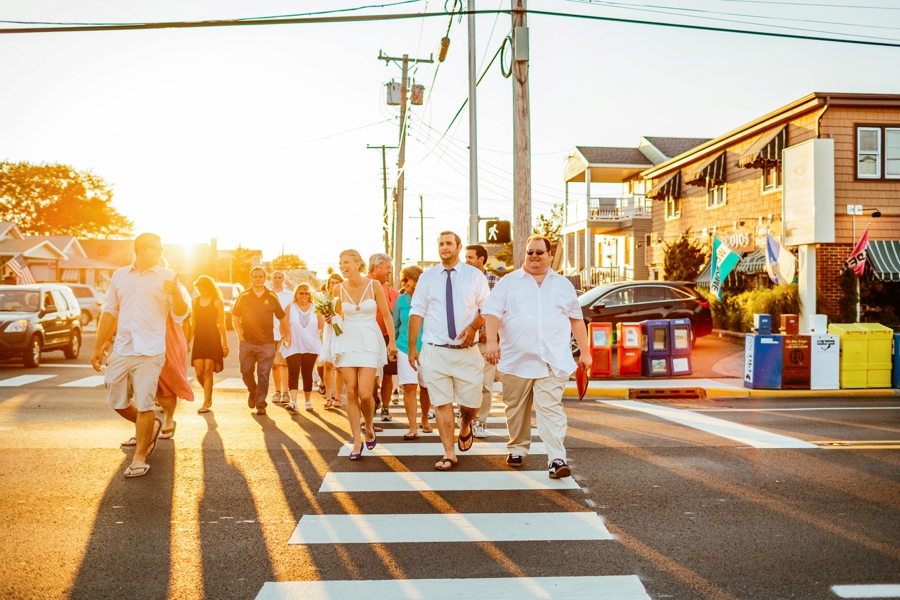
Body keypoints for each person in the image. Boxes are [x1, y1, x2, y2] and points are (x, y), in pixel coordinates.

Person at [483, 234, 592, 478]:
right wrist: (492, 342)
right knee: (516, 409)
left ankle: (556, 459)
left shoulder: (563, 285)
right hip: (516, 360)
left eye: (539, 252)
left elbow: (576, 320)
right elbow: (492, 312)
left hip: (553, 360)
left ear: (549, 255)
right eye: (530, 252)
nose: (533, 256)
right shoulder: (509, 282)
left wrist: (585, 353)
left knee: (550, 409)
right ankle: (517, 448)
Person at [90, 233, 188, 478]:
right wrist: (98, 345)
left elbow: (180, 314)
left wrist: (176, 293)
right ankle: (151, 425)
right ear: (141, 249)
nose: (161, 252)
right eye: (156, 248)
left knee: (145, 402)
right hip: (123, 347)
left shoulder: (167, 277)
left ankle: (139, 458)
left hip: (151, 350)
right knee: (116, 400)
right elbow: (110, 311)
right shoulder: (120, 275)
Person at [408, 231, 489, 471]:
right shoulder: (427, 278)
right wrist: (412, 347)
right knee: (441, 402)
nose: (445, 247)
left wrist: (474, 327)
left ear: (458, 247)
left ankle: (465, 425)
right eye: (441, 244)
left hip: (467, 352)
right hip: (435, 351)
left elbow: (489, 308)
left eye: (449, 243)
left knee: (471, 402)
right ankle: (449, 453)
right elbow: (416, 312)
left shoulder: (474, 276)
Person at [332, 249, 397, 460]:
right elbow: (336, 319)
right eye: (341, 262)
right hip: (348, 341)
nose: (342, 266)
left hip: (370, 340)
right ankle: (356, 441)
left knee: (365, 394)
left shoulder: (374, 285)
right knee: (351, 391)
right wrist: (330, 319)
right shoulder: (338, 289)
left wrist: (392, 342)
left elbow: (386, 314)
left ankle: (368, 425)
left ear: (358, 264)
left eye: (346, 262)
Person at [232, 267, 290, 416]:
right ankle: (253, 391)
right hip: (247, 342)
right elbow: (236, 317)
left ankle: (261, 403)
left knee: (263, 375)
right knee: (245, 372)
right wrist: (240, 336)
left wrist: (288, 333)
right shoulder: (244, 296)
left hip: (266, 343)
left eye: (260, 276)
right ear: (251, 278)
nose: (257, 279)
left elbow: (282, 316)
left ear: (264, 278)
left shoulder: (271, 296)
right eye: (255, 276)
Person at [154, 262, 194, 439]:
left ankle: (169, 419)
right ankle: (142, 429)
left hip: (169, 334)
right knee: (141, 383)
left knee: (168, 378)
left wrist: (174, 292)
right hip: (141, 335)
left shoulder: (172, 284)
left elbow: (184, 315)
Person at [465, 244, 500, 439]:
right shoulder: (461, 280)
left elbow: (502, 310)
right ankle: (466, 419)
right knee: (466, 382)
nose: (467, 261)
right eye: (466, 257)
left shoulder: (495, 281)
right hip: (465, 340)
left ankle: (480, 422)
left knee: (485, 383)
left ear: (481, 259)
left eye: (470, 257)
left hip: (487, 340)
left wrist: (491, 330)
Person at [393, 265, 432, 439]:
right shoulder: (401, 300)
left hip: (427, 347)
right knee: (409, 386)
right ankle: (412, 427)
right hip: (404, 347)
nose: (403, 283)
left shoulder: (430, 298)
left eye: (406, 279)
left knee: (426, 386)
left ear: (416, 280)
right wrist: (392, 346)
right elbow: (395, 325)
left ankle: (425, 419)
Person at [281, 282, 324, 413]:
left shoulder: (316, 308)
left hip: (311, 344)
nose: (304, 295)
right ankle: (293, 401)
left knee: (307, 372)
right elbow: (282, 324)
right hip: (293, 343)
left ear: (310, 295)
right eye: (301, 293)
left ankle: (308, 400)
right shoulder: (290, 307)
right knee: (293, 371)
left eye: (306, 293)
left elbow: (322, 326)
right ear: (296, 294)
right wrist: (285, 335)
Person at [188, 275, 228, 413]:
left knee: (208, 369)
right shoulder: (195, 301)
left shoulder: (217, 302)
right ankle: (208, 392)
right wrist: (187, 341)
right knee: (199, 371)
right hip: (199, 338)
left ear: (209, 288)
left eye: (203, 288)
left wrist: (225, 344)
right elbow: (193, 322)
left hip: (213, 338)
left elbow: (222, 323)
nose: (201, 290)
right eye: (199, 288)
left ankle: (206, 402)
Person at [367, 253, 400, 422]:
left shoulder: (389, 289)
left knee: (388, 374)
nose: (390, 271)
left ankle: (385, 408)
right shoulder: (363, 284)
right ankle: (373, 401)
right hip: (369, 337)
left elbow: (390, 314)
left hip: (387, 336)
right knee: (370, 375)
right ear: (376, 267)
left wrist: (393, 340)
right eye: (387, 268)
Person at [268, 271, 294, 405]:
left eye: (279, 277)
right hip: (268, 333)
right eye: (275, 278)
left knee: (283, 364)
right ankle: (277, 391)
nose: (277, 280)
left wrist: (289, 333)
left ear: (283, 279)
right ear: (271, 279)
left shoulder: (289, 295)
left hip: (283, 334)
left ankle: (285, 392)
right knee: (273, 365)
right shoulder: (267, 293)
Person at [320, 274, 344, 408]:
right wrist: (327, 317)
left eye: (337, 282)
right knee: (328, 364)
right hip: (329, 329)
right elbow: (323, 314)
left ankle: (337, 397)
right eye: (332, 282)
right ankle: (328, 397)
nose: (334, 285)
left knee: (340, 365)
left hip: (342, 329)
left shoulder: (345, 297)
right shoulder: (325, 298)